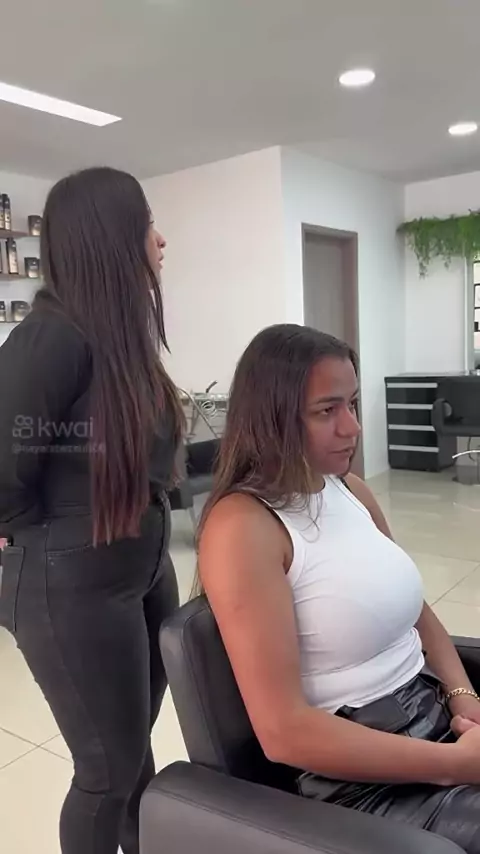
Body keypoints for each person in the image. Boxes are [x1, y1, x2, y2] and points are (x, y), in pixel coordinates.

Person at [198, 323, 480, 854]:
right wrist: (453, 765)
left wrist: (464, 697)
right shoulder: (244, 528)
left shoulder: (349, 490)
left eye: (351, 403)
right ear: (273, 417)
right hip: (362, 784)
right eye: (327, 411)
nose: (352, 426)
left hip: (435, 718)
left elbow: (416, 611)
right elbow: (283, 732)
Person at [0, 167, 183, 854]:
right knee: (106, 773)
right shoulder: (49, 338)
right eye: (147, 225)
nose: (160, 241)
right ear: (111, 238)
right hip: (72, 583)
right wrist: (38, 540)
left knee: (133, 751)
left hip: (139, 567)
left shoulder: (119, 339)